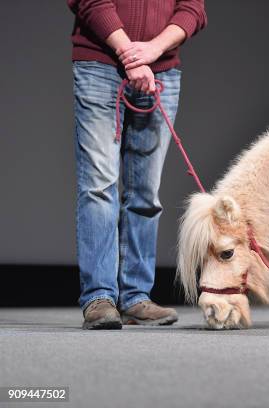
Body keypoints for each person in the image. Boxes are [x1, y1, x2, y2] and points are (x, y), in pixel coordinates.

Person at [67, 0, 207, 329]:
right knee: (99, 186)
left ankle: (135, 297)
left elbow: (193, 9)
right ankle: (99, 297)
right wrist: (129, 53)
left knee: (145, 193)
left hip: (162, 69)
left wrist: (152, 51)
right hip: (100, 66)